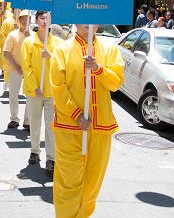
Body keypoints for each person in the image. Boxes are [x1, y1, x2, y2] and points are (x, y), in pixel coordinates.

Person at [50, 24, 124, 218]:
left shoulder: (110, 49)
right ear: (75, 21)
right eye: (83, 18)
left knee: (92, 185)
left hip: (101, 127)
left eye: (93, 19)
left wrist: (99, 69)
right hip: (69, 127)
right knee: (68, 182)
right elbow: (57, 86)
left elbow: (116, 83)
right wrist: (75, 113)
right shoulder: (62, 50)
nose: (88, 23)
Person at [21, 11, 61, 174]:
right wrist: (34, 86)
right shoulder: (29, 42)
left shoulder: (58, 43)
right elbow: (26, 66)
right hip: (34, 91)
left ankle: (51, 158)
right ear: (36, 21)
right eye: (42, 18)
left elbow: (61, 65)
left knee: (51, 127)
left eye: (48, 19)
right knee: (35, 123)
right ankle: (35, 151)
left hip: (52, 91)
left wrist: (50, 57)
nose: (45, 21)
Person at [3, 10, 30, 131]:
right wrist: (17, 66)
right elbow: (6, 52)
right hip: (15, 69)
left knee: (31, 96)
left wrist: (30, 37)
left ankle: (27, 121)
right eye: (22, 19)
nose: (25, 21)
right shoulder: (12, 35)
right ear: (18, 21)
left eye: (27, 19)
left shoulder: (34, 36)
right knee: (13, 95)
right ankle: (14, 119)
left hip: (30, 70)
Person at [0, 7, 17, 91]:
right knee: (8, 66)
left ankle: (13, 86)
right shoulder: (7, 22)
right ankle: (7, 82)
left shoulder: (22, 23)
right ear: (12, 11)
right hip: (9, 49)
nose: (17, 11)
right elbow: (2, 34)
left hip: (18, 50)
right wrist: (7, 45)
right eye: (15, 10)